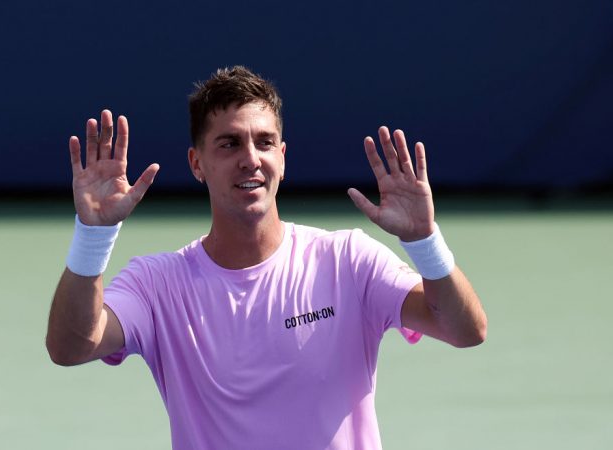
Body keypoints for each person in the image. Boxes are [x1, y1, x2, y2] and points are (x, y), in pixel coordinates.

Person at [46, 66, 487, 450]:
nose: (250, 159)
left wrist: (425, 241)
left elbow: (465, 330)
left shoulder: (348, 260)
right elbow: (70, 347)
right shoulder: (157, 284)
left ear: (282, 156)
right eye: (229, 144)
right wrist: (94, 235)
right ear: (196, 163)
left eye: (264, 142)